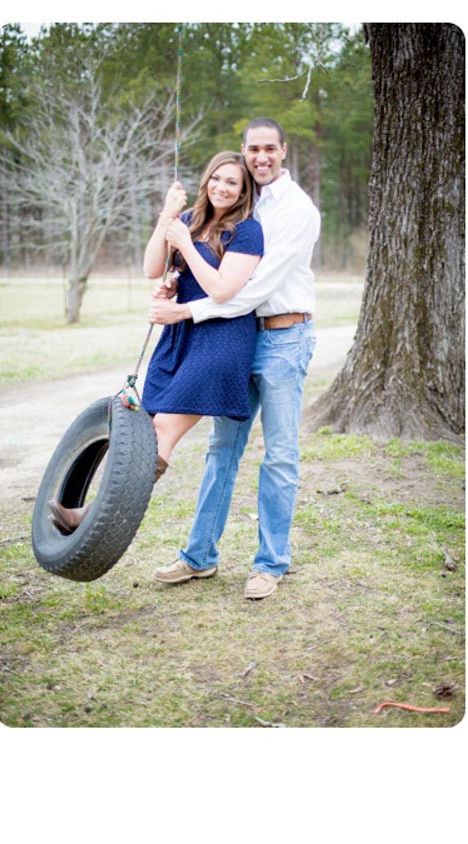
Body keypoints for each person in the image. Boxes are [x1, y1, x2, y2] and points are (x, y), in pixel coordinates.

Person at [147, 118, 321, 601]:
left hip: (284, 336)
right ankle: (199, 557)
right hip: (239, 337)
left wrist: (184, 310)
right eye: (253, 150)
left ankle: (270, 564)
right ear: (244, 153)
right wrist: (176, 277)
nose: (261, 157)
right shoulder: (245, 202)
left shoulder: (297, 211)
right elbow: (211, 262)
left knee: (280, 455)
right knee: (223, 449)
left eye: (270, 148)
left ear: (283, 151)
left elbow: (248, 290)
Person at [47, 152, 264, 534]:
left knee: (162, 426)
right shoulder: (187, 221)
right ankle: (99, 516)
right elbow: (151, 267)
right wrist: (169, 216)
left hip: (222, 339)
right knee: (144, 427)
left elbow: (222, 289)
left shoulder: (247, 230)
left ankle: (96, 520)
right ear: (205, 180)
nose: (222, 187)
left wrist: (187, 245)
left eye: (233, 182)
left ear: (244, 191)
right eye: (217, 178)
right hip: (178, 335)